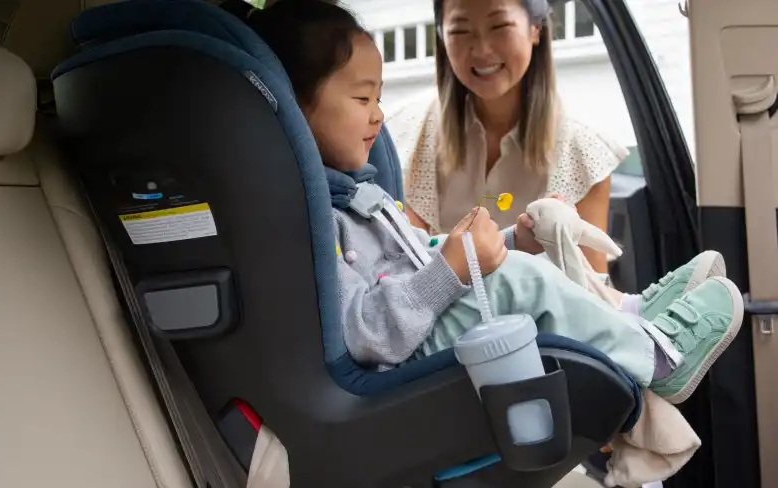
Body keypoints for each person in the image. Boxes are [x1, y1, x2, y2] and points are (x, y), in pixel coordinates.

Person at [246, 0, 742, 405]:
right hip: (406, 360)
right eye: (361, 101)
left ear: (536, 30)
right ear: (292, 107)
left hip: (428, 327)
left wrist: (510, 241)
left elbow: (421, 256)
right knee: (518, 278)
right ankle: (655, 357)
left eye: (498, 24)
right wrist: (456, 267)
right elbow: (368, 329)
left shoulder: (362, 196)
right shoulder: (316, 220)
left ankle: (629, 314)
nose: (377, 118)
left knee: (528, 261)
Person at [388, 0, 625, 273]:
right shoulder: (405, 131)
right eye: (460, 31)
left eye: (499, 26)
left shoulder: (583, 147)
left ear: (535, 28)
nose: (482, 50)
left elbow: (591, 291)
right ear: (442, 37)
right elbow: (404, 269)